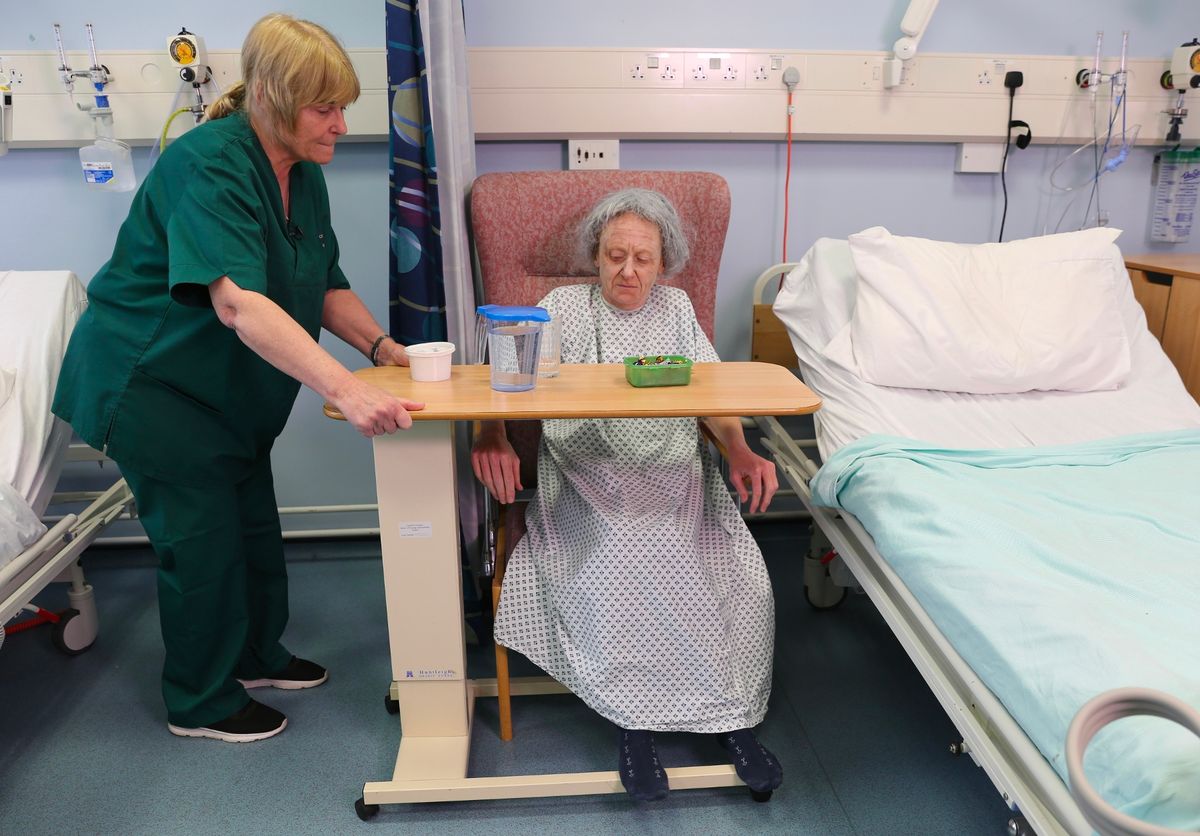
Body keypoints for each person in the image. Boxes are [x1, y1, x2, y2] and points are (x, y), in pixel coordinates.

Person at [51, 14, 421, 743]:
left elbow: (321, 280)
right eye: (325, 108)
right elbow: (237, 303)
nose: (341, 126)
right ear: (276, 100)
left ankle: (254, 656)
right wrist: (345, 389)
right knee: (203, 545)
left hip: (224, 394)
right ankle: (200, 701)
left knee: (252, 526)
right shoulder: (208, 165)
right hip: (151, 383)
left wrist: (382, 348)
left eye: (344, 107)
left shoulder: (302, 175)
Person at [471, 188, 784, 801]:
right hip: (591, 478)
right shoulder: (561, 306)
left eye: (643, 258)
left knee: (732, 572)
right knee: (631, 556)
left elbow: (712, 393)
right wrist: (491, 433)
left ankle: (732, 722)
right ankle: (633, 724)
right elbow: (500, 377)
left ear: (664, 264)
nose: (628, 271)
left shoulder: (677, 307)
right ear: (595, 255)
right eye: (615, 255)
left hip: (675, 474)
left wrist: (740, 447)